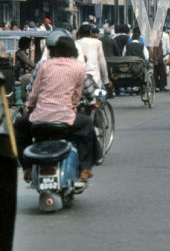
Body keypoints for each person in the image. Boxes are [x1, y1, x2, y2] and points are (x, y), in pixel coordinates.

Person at [13, 32, 102, 185]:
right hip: (66, 119)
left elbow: (33, 92)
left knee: (19, 126)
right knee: (87, 124)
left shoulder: (43, 66)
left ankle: (26, 167)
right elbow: (84, 92)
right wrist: (88, 101)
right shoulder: (79, 68)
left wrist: (29, 109)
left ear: (52, 51)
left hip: (39, 119)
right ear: (73, 51)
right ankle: (85, 168)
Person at [76, 24, 109, 89]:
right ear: (91, 33)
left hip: (79, 78)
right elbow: (102, 62)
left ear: (79, 33)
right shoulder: (97, 42)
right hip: (94, 77)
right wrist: (105, 80)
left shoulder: (75, 43)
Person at [15, 37, 35, 104]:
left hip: (23, 71)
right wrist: (37, 65)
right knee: (32, 78)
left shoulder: (23, 52)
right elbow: (28, 62)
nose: (29, 45)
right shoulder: (21, 52)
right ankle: (26, 96)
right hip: (20, 73)